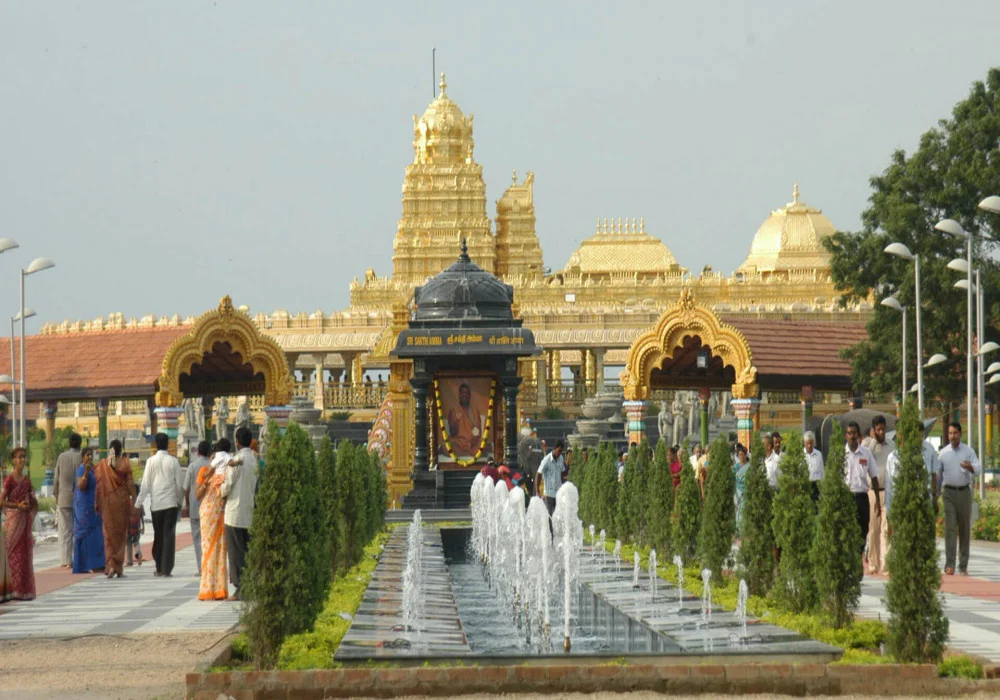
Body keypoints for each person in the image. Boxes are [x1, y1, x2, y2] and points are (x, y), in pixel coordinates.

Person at [135, 433, 184, 578]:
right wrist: (180, 502)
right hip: (170, 504)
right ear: (167, 444)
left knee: (158, 535)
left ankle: (158, 565)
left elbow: (145, 485)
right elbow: (179, 485)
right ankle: (166, 569)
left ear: (156, 444)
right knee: (169, 536)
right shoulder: (173, 461)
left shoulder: (150, 461)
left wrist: (137, 504)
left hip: (156, 504)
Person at [937, 422, 981, 576]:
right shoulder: (943, 454)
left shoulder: (968, 451)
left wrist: (970, 467)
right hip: (948, 492)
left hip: (964, 492)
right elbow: (938, 474)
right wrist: (936, 493)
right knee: (950, 528)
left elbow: (978, 468)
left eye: (955, 433)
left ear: (960, 434)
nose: (952, 436)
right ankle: (949, 564)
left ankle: (963, 565)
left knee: (964, 529)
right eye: (950, 433)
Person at [222, 426, 259, 600]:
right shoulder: (254, 460)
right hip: (249, 511)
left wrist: (219, 491)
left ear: (237, 442)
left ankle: (240, 588)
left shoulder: (237, 460)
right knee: (247, 549)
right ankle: (250, 585)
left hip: (234, 513)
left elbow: (227, 485)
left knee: (236, 553)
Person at [94, 439, 136, 578]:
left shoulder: (102, 465)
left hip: (107, 504)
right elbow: (130, 485)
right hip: (122, 504)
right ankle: (118, 567)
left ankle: (110, 565)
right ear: (121, 450)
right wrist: (135, 501)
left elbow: (98, 485)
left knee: (108, 535)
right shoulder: (125, 464)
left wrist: (97, 502)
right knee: (120, 535)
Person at [1, 447, 37, 599]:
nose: (22, 460)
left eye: (24, 457)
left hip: (24, 522)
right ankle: (12, 589)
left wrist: (28, 505)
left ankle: (24, 591)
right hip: (13, 521)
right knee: (11, 556)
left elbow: (32, 499)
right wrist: (17, 506)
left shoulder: (27, 480)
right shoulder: (9, 479)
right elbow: (2, 501)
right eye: (19, 457)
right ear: (13, 460)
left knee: (24, 556)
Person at [198, 438, 231, 600]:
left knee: (221, 551)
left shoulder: (227, 473)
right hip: (207, 514)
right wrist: (206, 481)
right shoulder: (204, 471)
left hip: (221, 514)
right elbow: (197, 495)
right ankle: (206, 589)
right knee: (208, 550)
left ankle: (220, 590)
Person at [862, 414, 895, 575]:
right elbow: (865, 461)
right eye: (878, 429)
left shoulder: (892, 446)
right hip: (872, 493)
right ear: (874, 431)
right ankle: (873, 564)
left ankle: (886, 565)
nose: (881, 432)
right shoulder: (868, 447)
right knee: (873, 529)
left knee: (886, 528)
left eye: (883, 429)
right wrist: (873, 442)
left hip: (888, 492)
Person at [845, 421, 880, 567]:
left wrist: (877, 499)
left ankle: (859, 557)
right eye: (849, 433)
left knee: (863, 530)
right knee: (847, 531)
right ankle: (850, 561)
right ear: (846, 436)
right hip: (846, 498)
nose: (852, 436)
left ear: (858, 435)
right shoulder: (840, 454)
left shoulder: (866, 453)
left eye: (854, 433)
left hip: (861, 498)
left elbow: (874, 477)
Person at [72, 447, 105, 574]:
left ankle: (98, 562)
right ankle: (86, 564)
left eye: (91, 455)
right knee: (86, 534)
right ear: (82, 457)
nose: (89, 457)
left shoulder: (92, 469)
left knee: (96, 535)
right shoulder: (82, 469)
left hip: (93, 506)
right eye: (87, 455)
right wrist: (85, 473)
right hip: (84, 507)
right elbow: (81, 486)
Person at [53, 433, 83, 569]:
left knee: (65, 530)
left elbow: (56, 479)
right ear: (80, 443)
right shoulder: (82, 457)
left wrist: (56, 496)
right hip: (78, 498)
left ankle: (65, 560)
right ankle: (77, 558)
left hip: (63, 497)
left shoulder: (61, 457)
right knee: (77, 530)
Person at [184, 440, 211, 575]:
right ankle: (210, 566)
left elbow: (186, 488)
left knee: (197, 538)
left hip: (195, 506)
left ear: (198, 452)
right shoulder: (213, 466)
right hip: (211, 507)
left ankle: (202, 568)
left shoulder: (192, 466)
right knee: (209, 537)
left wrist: (187, 505)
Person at [447, 383, 483, 456]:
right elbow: (452, 433)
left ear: (469, 396)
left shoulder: (475, 411)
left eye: (466, 393)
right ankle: (469, 454)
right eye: (462, 392)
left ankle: (464, 454)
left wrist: (471, 443)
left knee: (484, 444)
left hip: (472, 443)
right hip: (458, 443)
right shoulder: (453, 411)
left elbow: (478, 432)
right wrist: (457, 420)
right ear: (459, 395)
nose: (464, 395)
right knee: (447, 445)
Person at [536, 440, 565, 515]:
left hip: (558, 492)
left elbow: (562, 471)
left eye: (561, 452)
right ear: (554, 448)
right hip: (549, 494)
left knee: (558, 515)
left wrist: (563, 486)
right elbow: (538, 474)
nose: (559, 454)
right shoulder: (546, 460)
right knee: (549, 516)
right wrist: (537, 491)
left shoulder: (561, 458)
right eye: (559, 451)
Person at [126, 483, 144, 567]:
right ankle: (138, 554)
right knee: (136, 542)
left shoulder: (127, 502)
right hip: (137, 526)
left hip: (128, 526)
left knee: (128, 543)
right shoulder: (140, 503)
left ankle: (129, 561)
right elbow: (142, 516)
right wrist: (143, 526)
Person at [803, 431, 824, 504]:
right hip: (805, 485)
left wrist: (822, 485)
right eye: (807, 443)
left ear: (813, 442)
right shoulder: (801, 455)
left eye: (811, 443)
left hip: (816, 485)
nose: (809, 445)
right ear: (804, 443)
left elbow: (822, 471)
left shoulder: (818, 454)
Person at [733, 443, 750, 527]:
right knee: (738, 511)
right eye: (739, 455)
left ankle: (744, 530)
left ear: (745, 454)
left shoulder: (749, 466)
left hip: (746, 491)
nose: (741, 456)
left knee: (744, 511)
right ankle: (738, 530)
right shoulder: (735, 467)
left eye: (742, 454)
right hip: (737, 492)